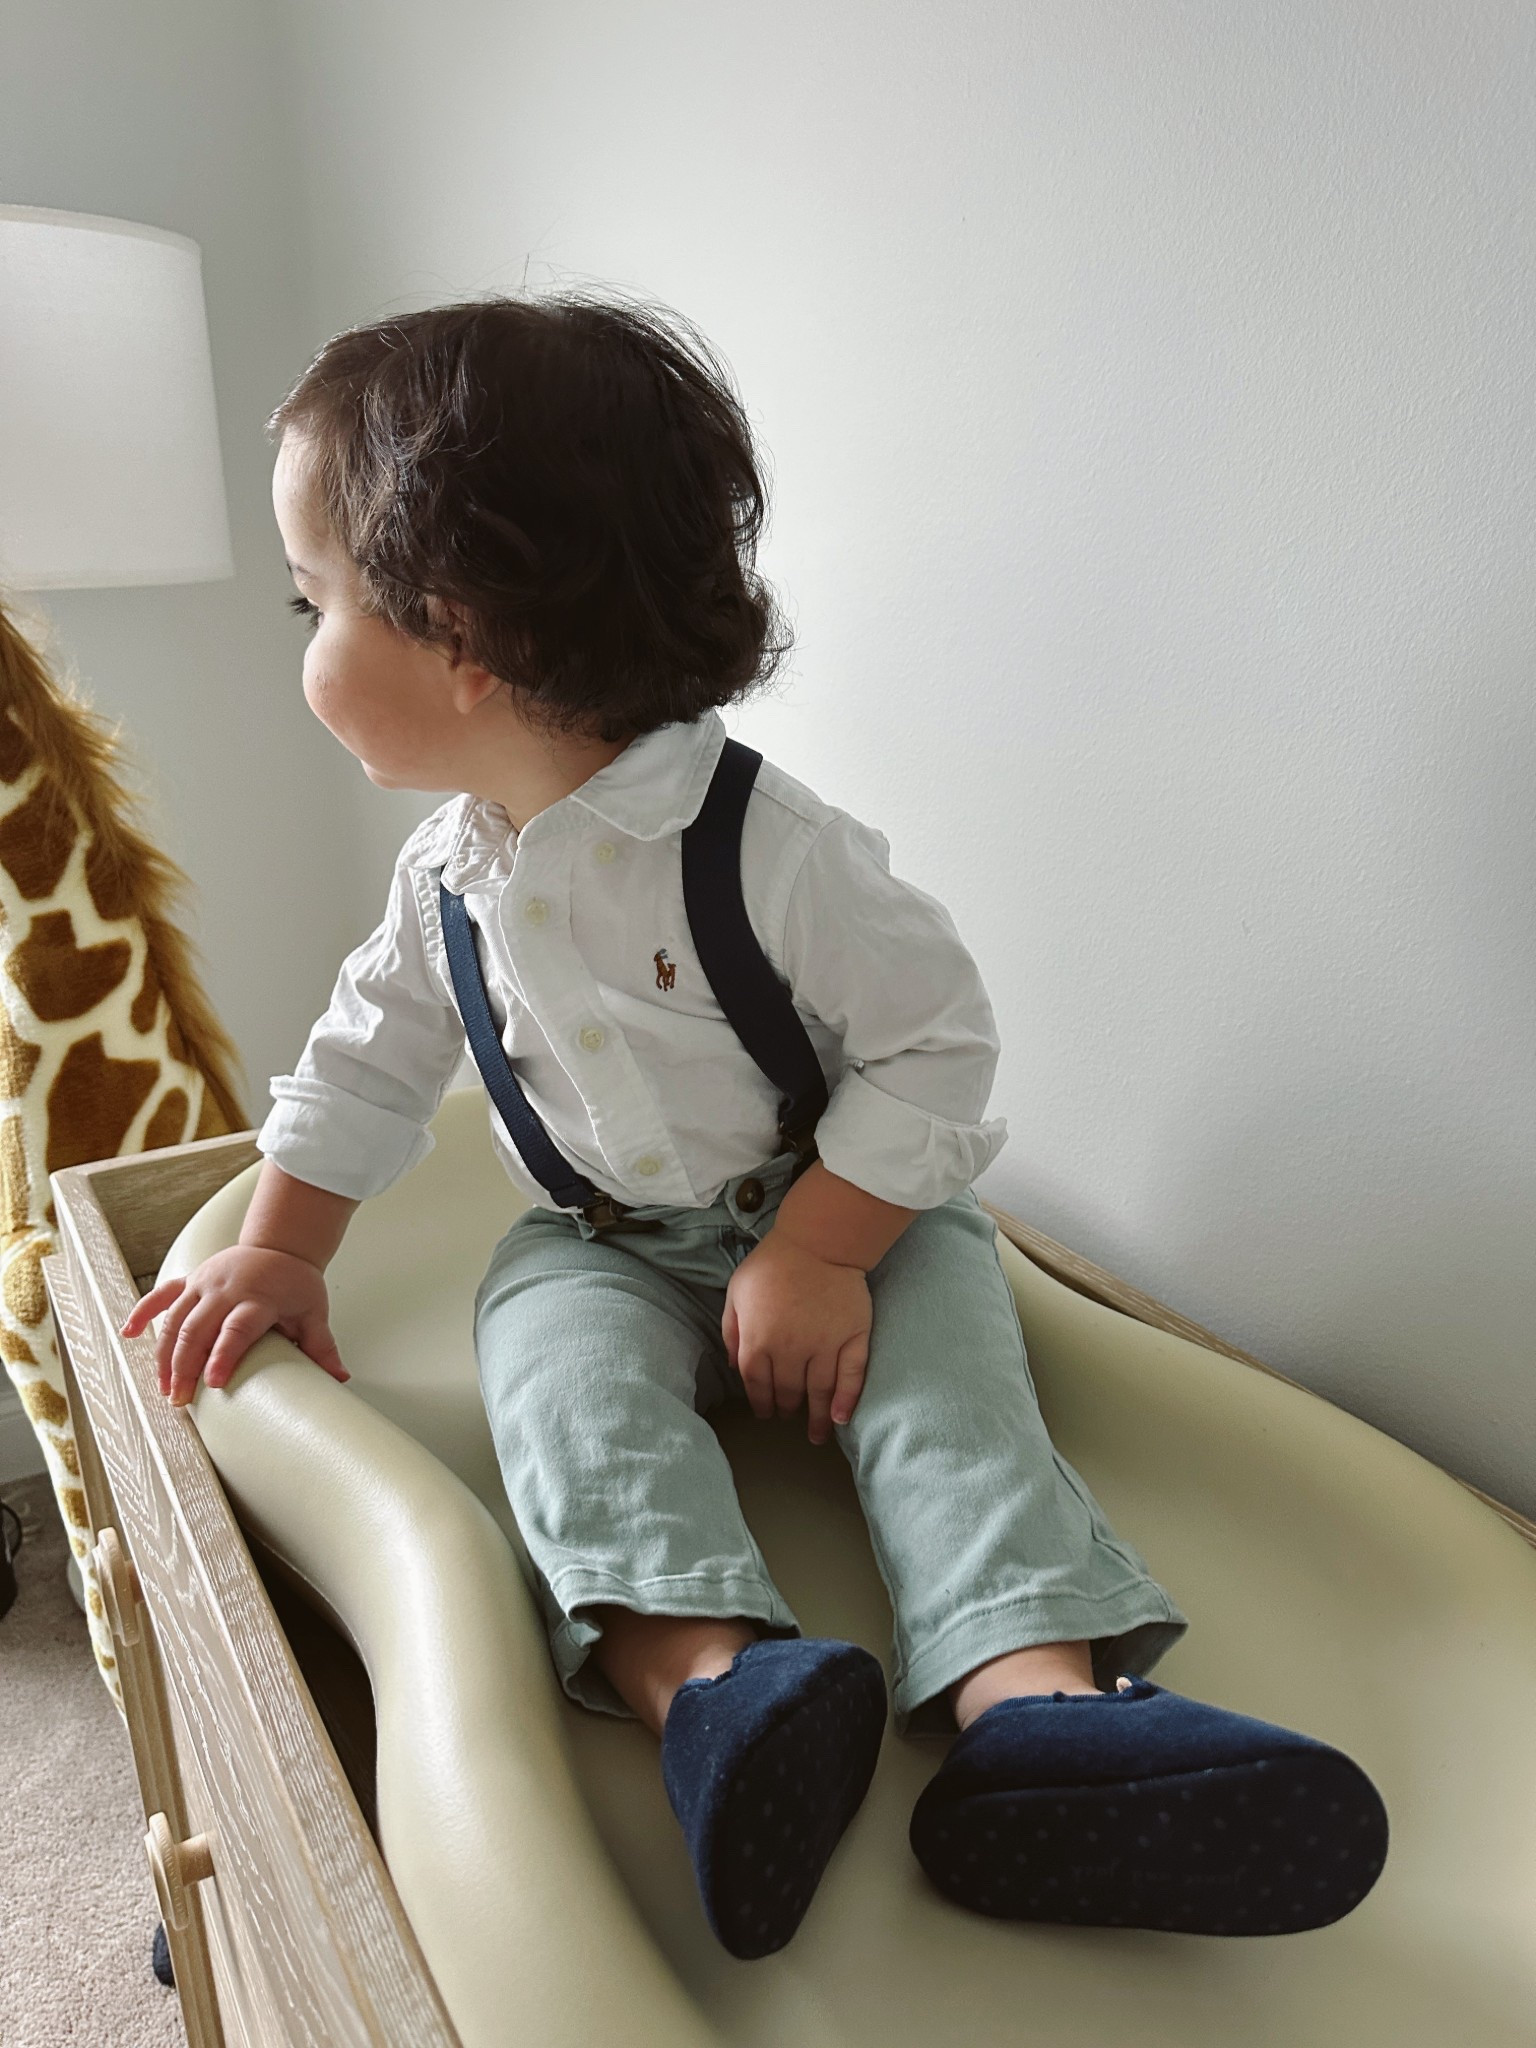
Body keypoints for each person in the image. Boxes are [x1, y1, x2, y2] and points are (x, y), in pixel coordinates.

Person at [119, 290, 1388, 1960]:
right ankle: (719, 1695)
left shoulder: (765, 846)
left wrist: (822, 1247)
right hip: (605, 1250)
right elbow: (359, 1064)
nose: (298, 644)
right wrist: (281, 1247)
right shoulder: (451, 875)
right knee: (559, 1399)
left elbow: (939, 1047)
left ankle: (1039, 1717)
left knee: (952, 1400)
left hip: (841, 1220)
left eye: (314, 600)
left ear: (460, 632)